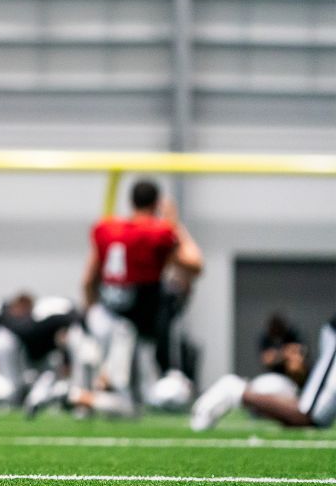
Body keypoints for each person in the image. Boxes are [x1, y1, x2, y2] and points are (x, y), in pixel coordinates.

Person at [72, 179, 203, 417]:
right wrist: (174, 223)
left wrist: (91, 315)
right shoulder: (158, 232)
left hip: (104, 315)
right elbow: (195, 265)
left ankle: (84, 395)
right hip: (135, 324)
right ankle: (73, 396)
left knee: (123, 396)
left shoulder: (106, 229)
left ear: (130, 201)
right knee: (130, 402)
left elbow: (88, 280)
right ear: (156, 203)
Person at [191, 313, 335, 431]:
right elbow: (268, 359)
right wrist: (285, 354)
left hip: (291, 385)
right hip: (276, 382)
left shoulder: (294, 334)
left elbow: (299, 363)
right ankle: (236, 390)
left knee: (305, 417)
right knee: (311, 417)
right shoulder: (266, 338)